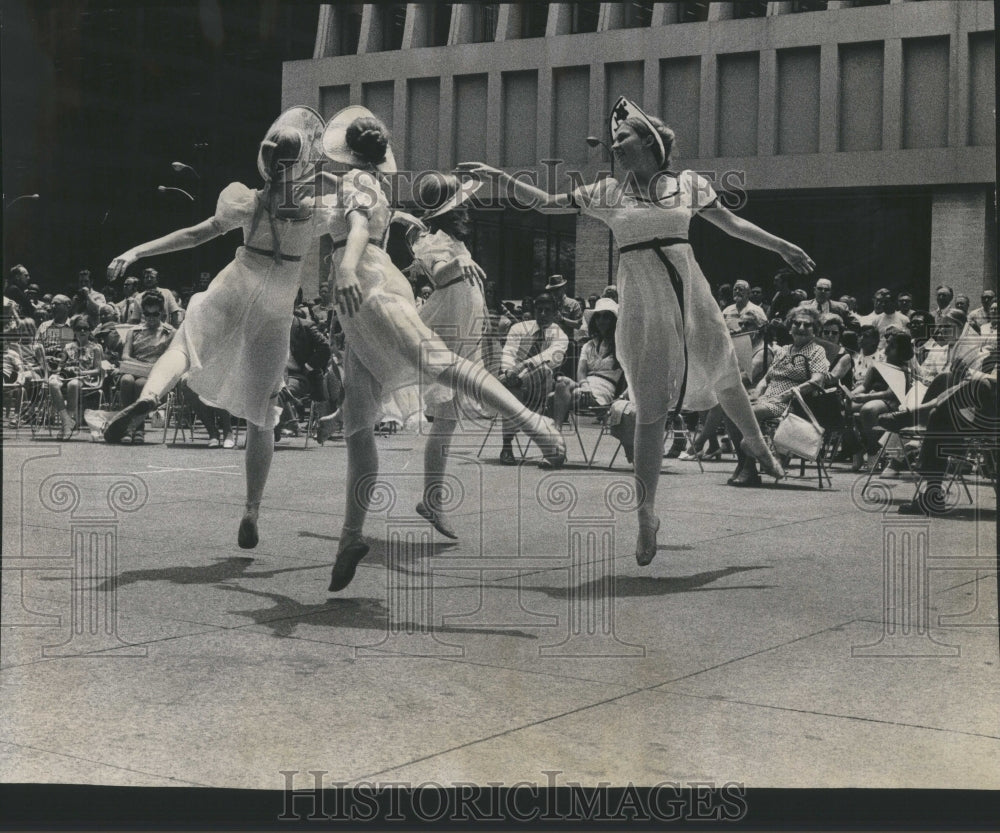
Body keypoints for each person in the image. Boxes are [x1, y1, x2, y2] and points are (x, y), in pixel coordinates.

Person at [459, 95, 814, 564]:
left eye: (622, 137)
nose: (614, 144)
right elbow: (547, 205)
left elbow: (732, 224)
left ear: (648, 141)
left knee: (724, 370)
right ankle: (646, 513)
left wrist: (783, 247)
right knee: (649, 410)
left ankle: (752, 440)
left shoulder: (688, 184)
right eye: (613, 139)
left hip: (691, 296)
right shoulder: (607, 193)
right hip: (643, 306)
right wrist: (500, 178)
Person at [321, 107, 565, 591]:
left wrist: (347, 265)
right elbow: (359, 227)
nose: (468, 209)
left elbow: (359, 225)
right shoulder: (370, 190)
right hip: (369, 289)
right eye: (461, 205)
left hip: (369, 289)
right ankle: (352, 535)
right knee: (373, 413)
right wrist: (348, 266)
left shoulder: (360, 186)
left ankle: (532, 426)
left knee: (392, 407)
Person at [101, 106, 332, 548]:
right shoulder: (313, 209)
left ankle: (150, 396)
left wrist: (135, 252)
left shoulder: (247, 199)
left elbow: (194, 234)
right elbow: (363, 210)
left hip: (237, 281)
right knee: (263, 416)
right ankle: (251, 510)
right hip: (278, 303)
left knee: (187, 343)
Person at [405, 172, 491, 538]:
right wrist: (458, 265)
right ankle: (433, 500)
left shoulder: (455, 242)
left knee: (446, 423)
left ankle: (431, 500)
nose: (468, 215)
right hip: (441, 333)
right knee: (441, 419)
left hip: (461, 337)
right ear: (446, 213)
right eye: (461, 210)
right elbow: (439, 274)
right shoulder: (433, 242)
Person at [726, 306, 828, 486]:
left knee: (750, 413)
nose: (802, 328)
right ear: (790, 327)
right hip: (768, 399)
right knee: (732, 411)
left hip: (791, 403)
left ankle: (750, 468)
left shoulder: (816, 351)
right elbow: (767, 377)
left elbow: (817, 380)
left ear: (815, 329)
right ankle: (743, 462)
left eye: (807, 325)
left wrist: (787, 394)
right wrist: (757, 391)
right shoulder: (783, 350)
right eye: (797, 323)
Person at [497, 292, 568, 463]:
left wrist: (521, 368)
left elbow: (550, 357)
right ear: (534, 310)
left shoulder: (560, 335)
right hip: (514, 382)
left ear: (555, 313)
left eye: (547, 310)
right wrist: (508, 372)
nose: (543, 314)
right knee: (511, 389)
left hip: (542, 387)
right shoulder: (519, 328)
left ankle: (548, 446)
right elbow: (509, 352)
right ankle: (507, 446)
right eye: (540, 310)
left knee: (544, 370)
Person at [552, 297, 623, 432]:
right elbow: (581, 372)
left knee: (553, 399)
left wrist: (620, 398)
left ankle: (555, 436)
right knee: (561, 382)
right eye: (598, 317)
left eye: (606, 317)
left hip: (603, 392)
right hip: (584, 387)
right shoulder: (588, 345)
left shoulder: (621, 346)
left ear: (613, 321)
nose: (601, 321)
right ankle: (556, 434)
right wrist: (585, 386)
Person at [117, 290, 177, 443]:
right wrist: (143, 366)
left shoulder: (169, 333)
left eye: (155, 314)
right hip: (135, 370)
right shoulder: (134, 331)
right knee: (126, 381)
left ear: (162, 313)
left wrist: (153, 368)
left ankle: (136, 428)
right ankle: (127, 426)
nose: (151, 318)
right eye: (147, 314)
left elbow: (171, 358)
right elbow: (125, 356)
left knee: (140, 384)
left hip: (157, 377)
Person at [47, 314, 104, 439]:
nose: (82, 331)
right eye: (79, 328)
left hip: (83, 377)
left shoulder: (95, 348)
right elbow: (60, 366)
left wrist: (81, 373)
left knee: (73, 384)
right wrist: (57, 364)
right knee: (52, 382)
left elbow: (97, 370)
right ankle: (67, 421)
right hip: (66, 374)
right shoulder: (68, 347)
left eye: (85, 328)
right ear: (74, 331)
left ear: (90, 331)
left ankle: (67, 423)